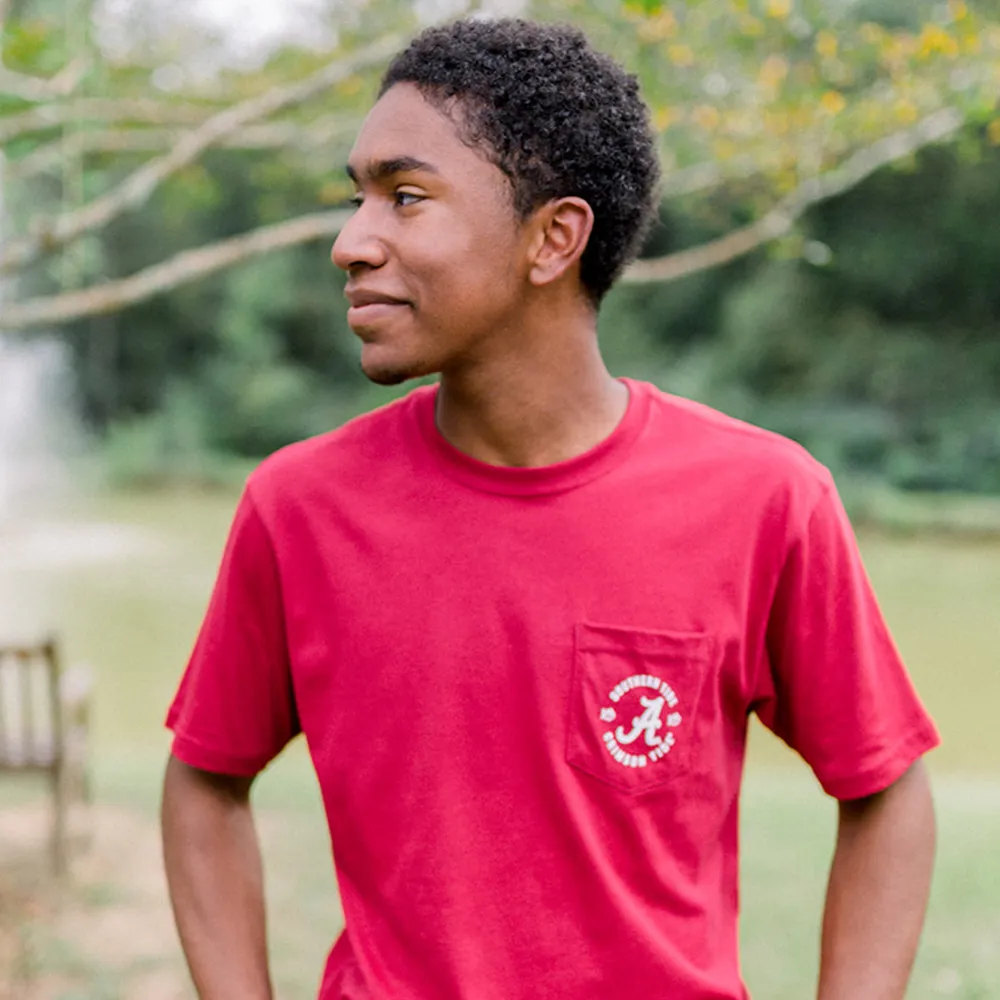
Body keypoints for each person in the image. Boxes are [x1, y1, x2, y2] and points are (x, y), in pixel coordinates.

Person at [162, 17, 940, 1000]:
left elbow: (885, 788)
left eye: (406, 197)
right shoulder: (298, 507)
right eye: (357, 198)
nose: (350, 244)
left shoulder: (766, 499)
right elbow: (204, 779)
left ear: (553, 238)